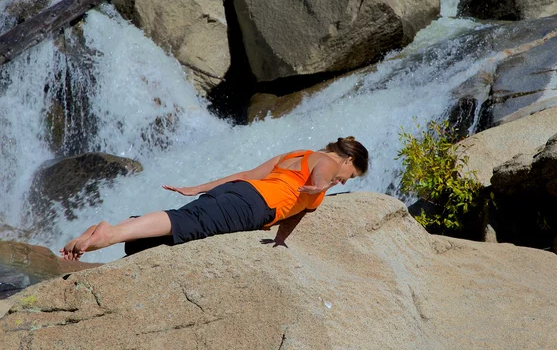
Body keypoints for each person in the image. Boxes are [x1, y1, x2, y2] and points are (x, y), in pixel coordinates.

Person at [60, 137, 369, 261]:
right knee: (185, 224)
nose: (343, 181)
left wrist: (199, 188)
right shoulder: (327, 163)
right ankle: (109, 233)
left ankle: (126, 227)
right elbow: (322, 175)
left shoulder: (297, 155)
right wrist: (319, 187)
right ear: (347, 158)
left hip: (237, 192)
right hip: (252, 205)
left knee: (172, 232)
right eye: (349, 174)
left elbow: (248, 174)